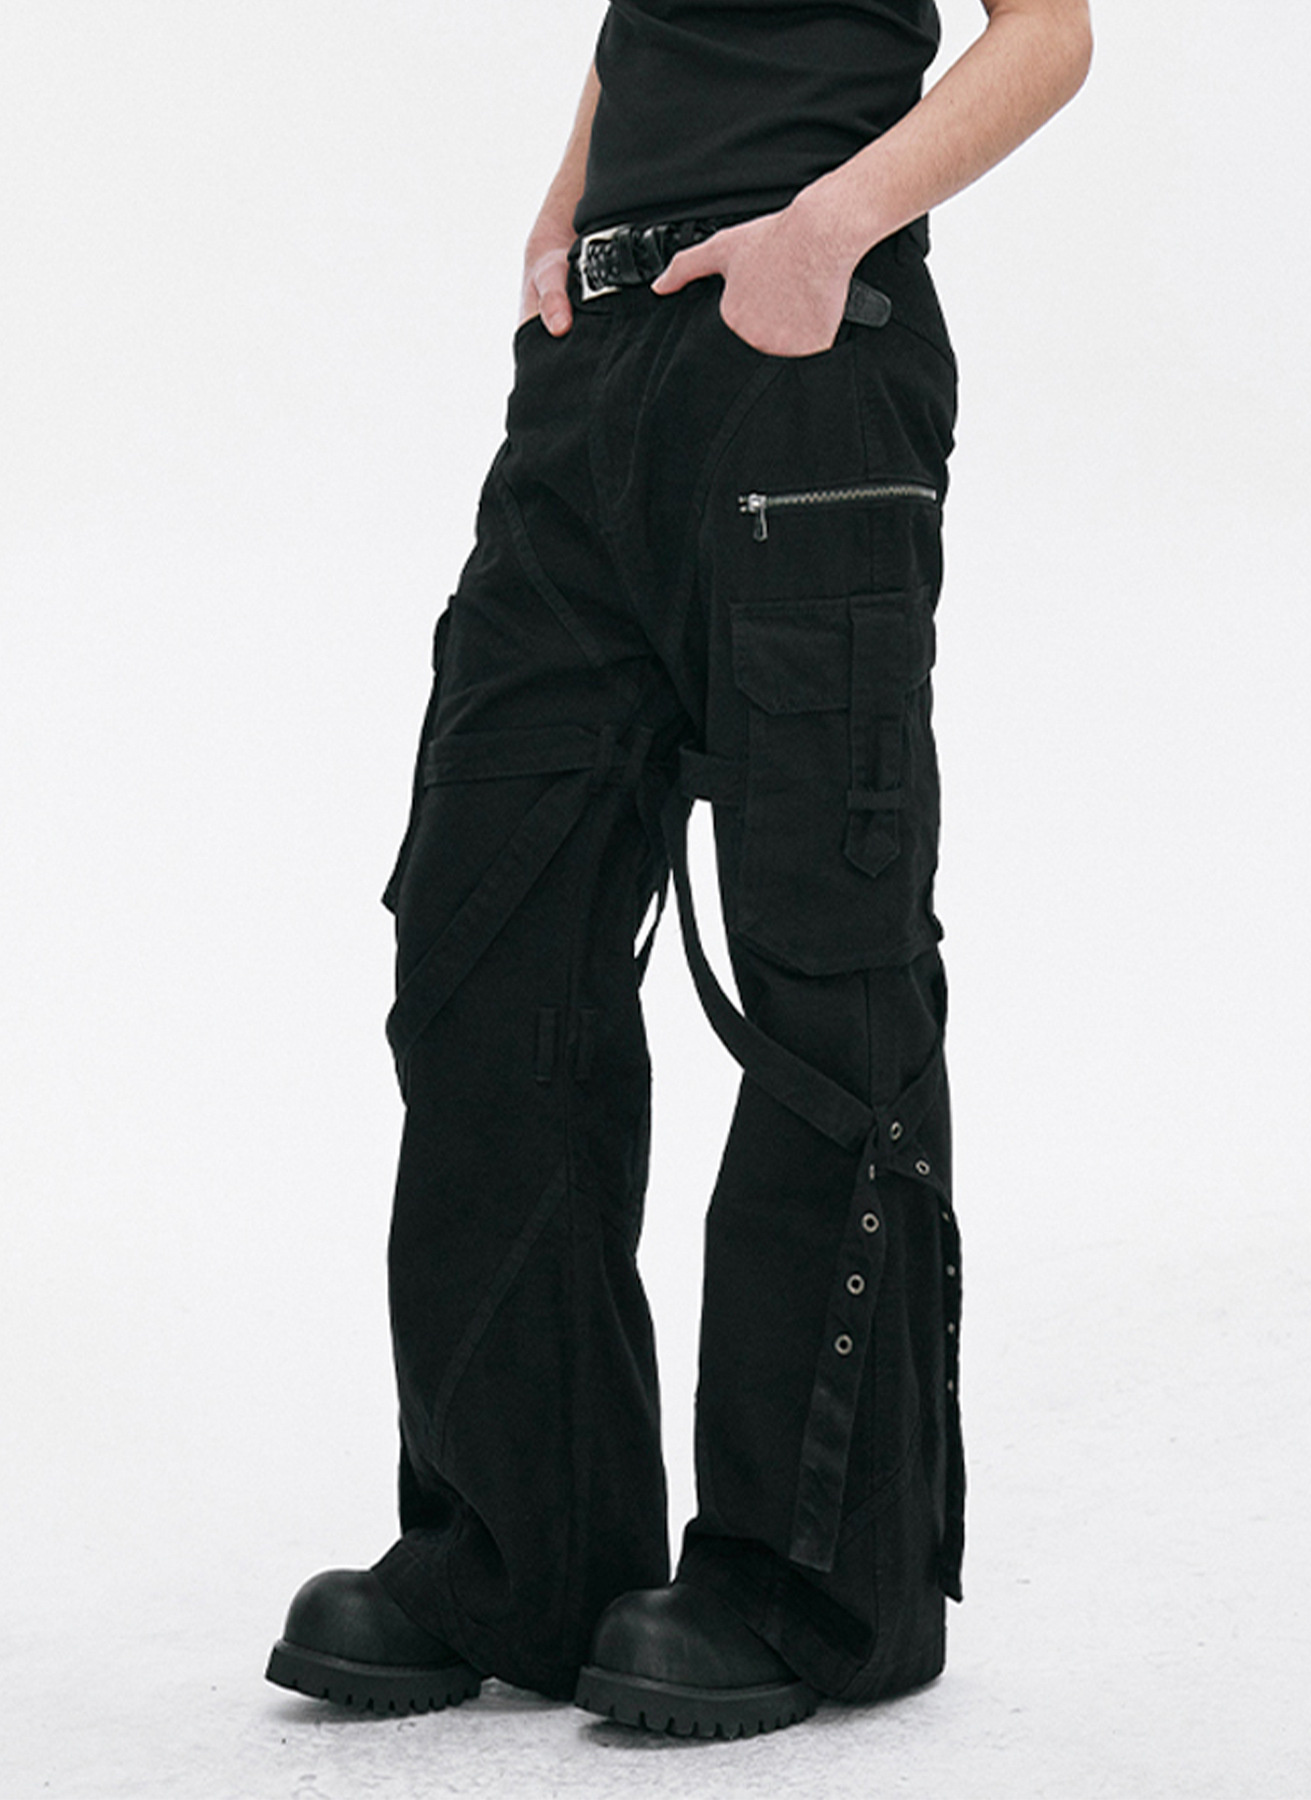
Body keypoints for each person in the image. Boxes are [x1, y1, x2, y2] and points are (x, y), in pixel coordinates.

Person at [265, 0, 1091, 1739]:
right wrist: (559, 218)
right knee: (486, 942)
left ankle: (810, 1590)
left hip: (807, 358)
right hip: (591, 377)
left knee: (819, 959)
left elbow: (1050, 33)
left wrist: (827, 227)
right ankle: (518, 1559)